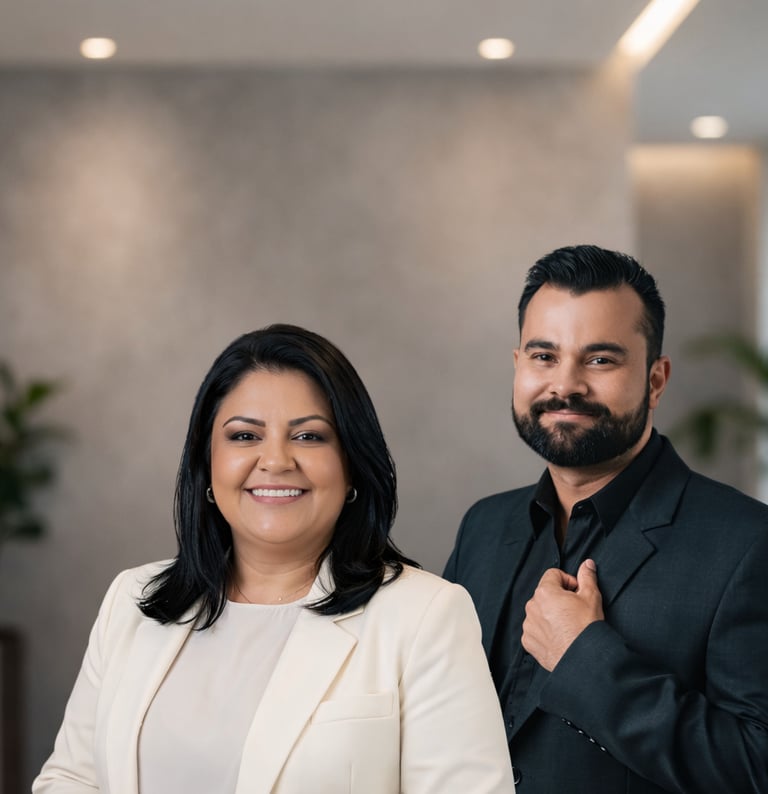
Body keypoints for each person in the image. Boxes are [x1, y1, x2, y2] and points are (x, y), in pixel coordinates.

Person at [34, 324, 515, 794]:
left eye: (309, 437)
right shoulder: (131, 600)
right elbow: (71, 780)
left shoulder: (425, 616)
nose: (276, 460)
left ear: (351, 466)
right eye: (245, 436)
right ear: (207, 463)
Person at [444, 245, 768, 793]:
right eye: (544, 356)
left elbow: (757, 768)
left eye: (600, 360)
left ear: (656, 380)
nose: (565, 384)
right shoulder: (483, 526)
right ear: (518, 365)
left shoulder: (747, 544)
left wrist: (584, 661)